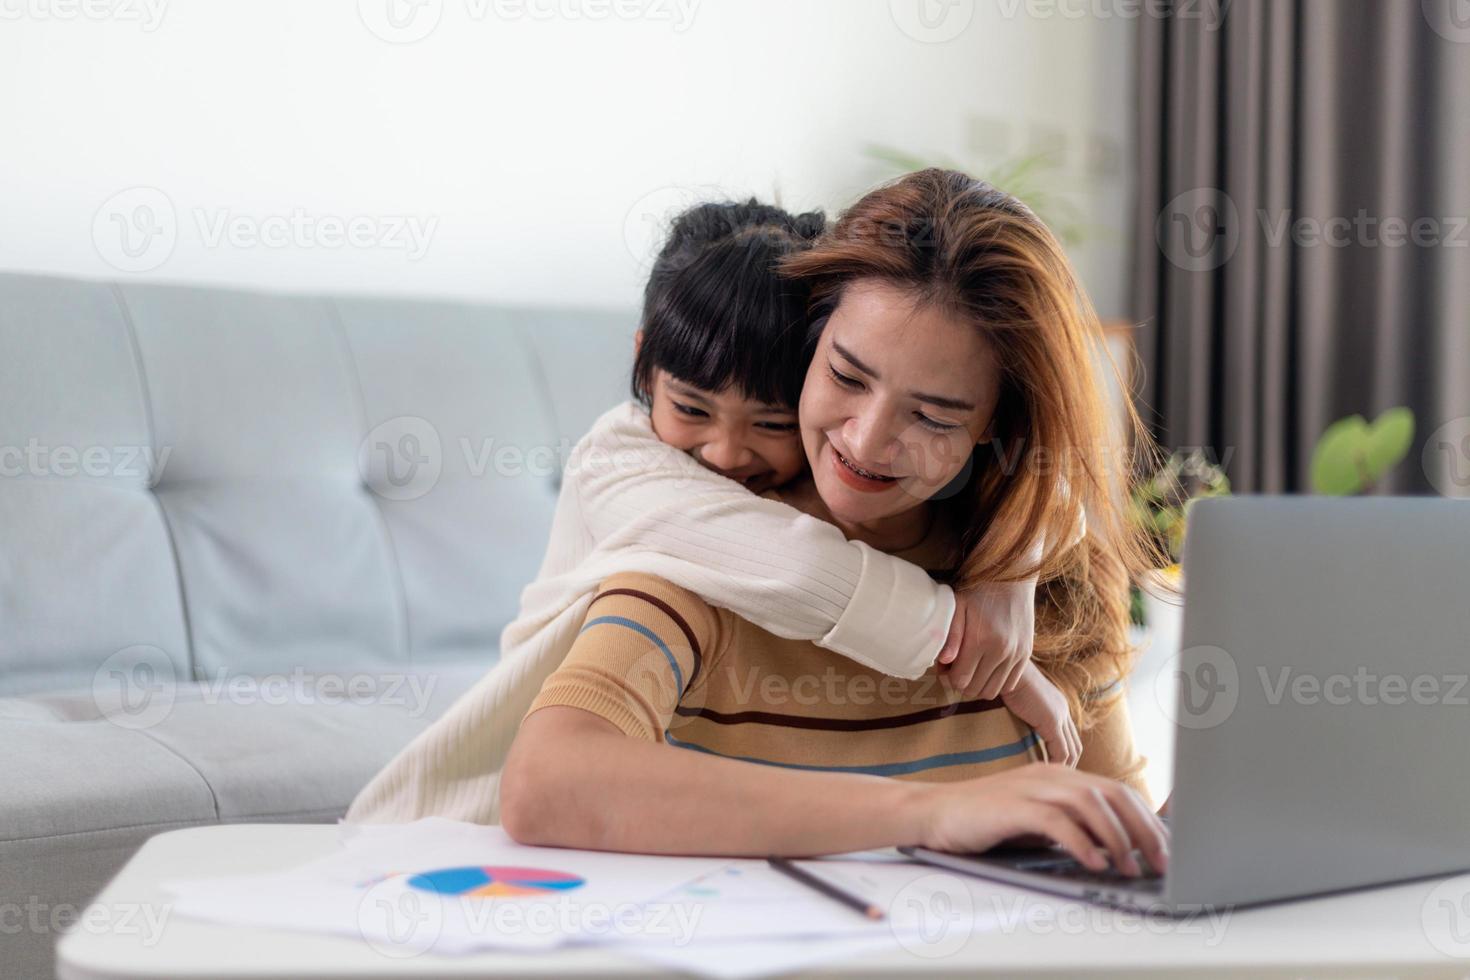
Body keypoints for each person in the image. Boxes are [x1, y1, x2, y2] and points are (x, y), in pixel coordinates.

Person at [499, 170, 1171, 872]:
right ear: (807, 346)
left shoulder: (1051, 576)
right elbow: (547, 784)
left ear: (994, 424)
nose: (867, 441)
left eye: (932, 416)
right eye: (847, 378)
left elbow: (1120, 847)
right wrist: (929, 814)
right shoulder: (704, 549)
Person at [344, 196, 1082, 826]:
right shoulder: (621, 463)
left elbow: (1055, 489)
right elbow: (795, 567)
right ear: (642, 365)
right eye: (692, 408)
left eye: (768, 421)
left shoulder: (879, 480)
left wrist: (1012, 567)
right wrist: (979, 641)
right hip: (463, 819)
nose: (726, 456)